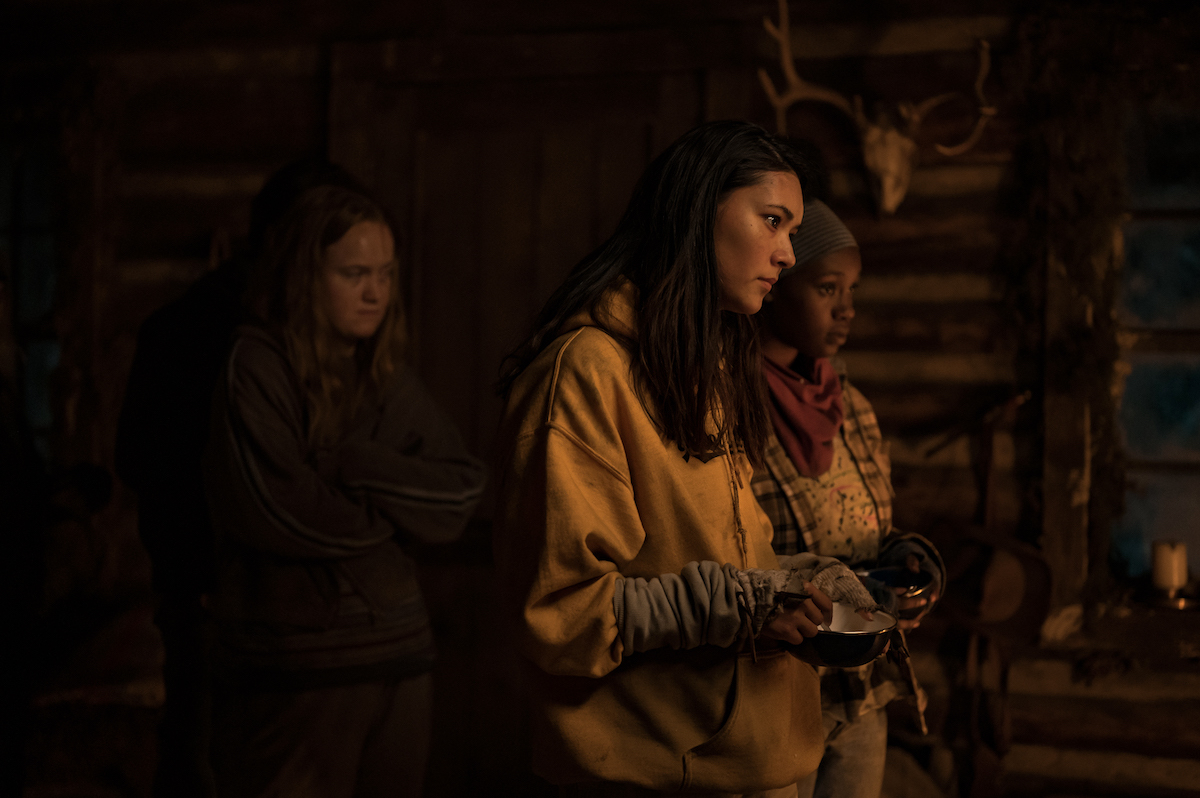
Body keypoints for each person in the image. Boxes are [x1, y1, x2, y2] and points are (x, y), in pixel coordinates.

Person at [493, 121, 880, 797]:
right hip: (654, 771)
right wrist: (742, 602)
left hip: (752, 760)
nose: (788, 254)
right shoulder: (585, 374)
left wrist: (799, 581)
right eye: (772, 221)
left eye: (792, 231)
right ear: (700, 212)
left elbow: (713, 558)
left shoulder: (708, 368)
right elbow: (562, 614)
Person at [204, 184, 487, 797]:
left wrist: (357, 466)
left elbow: (459, 494)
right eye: (354, 274)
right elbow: (278, 508)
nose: (375, 293)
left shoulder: (382, 375)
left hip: (399, 656)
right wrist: (391, 517)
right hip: (299, 667)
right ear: (306, 276)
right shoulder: (257, 366)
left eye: (385, 274)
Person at [114, 158, 372, 798]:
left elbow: (136, 459)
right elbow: (146, 459)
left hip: (253, 599)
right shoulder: (240, 335)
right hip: (235, 600)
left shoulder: (303, 330)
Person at [750, 198, 946, 798]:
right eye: (826, 289)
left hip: (862, 692)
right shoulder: (728, 408)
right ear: (775, 286)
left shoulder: (850, 406)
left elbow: (869, 531)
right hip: (771, 693)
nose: (847, 309)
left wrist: (909, 559)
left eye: (851, 290)